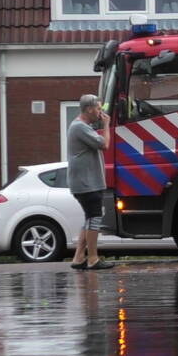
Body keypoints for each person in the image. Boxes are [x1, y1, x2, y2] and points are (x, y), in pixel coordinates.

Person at [67, 93, 114, 270]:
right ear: (88, 109)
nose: (100, 113)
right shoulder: (79, 127)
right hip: (87, 182)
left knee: (89, 218)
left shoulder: (82, 126)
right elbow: (104, 144)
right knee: (94, 218)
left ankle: (79, 257)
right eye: (98, 109)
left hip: (86, 181)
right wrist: (107, 125)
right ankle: (93, 258)